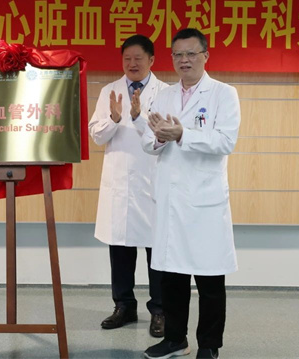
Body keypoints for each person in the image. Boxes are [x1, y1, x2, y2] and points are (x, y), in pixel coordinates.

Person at [142, 28, 240, 359]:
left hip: (204, 202)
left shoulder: (224, 94)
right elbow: (148, 141)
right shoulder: (164, 96)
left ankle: (209, 345)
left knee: (209, 280)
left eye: (191, 54)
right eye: (178, 55)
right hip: (171, 200)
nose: (184, 60)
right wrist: (159, 137)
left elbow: (225, 141)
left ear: (205, 56)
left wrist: (183, 134)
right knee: (172, 276)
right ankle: (175, 339)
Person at [89, 34, 167, 338]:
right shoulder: (109, 91)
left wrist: (138, 116)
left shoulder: (166, 93)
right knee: (120, 249)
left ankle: (159, 310)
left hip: (152, 181)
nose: (132, 64)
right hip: (120, 182)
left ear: (151, 60)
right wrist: (113, 118)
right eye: (127, 59)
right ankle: (123, 306)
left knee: (156, 251)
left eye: (138, 58)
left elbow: (164, 135)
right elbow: (97, 135)